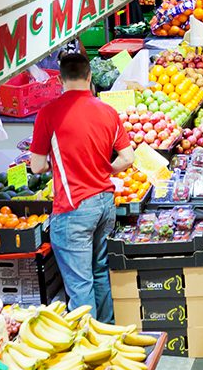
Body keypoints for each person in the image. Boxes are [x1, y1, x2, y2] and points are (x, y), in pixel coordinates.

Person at [29, 52, 134, 322]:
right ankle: (107, 337)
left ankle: (88, 346)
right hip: (104, 203)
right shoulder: (107, 111)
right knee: (100, 273)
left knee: (79, 283)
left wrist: (62, 162)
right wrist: (104, 169)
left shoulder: (49, 113)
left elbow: (37, 166)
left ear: (61, 80)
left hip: (73, 206)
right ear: (89, 77)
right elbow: (128, 158)